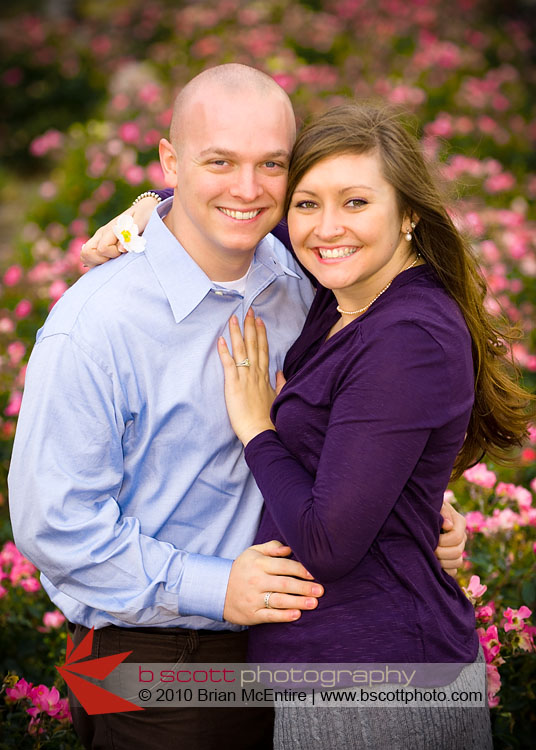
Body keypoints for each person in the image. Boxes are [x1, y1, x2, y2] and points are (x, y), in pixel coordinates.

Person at [9, 64, 466, 750]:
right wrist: (216, 587)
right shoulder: (96, 324)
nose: (248, 190)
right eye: (218, 161)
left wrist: (407, 497)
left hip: (291, 645)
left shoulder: (297, 275)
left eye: (271, 166)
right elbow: (54, 526)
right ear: (170, 161)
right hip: (149, 655)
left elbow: (363, 411)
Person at [214, 103, 533, 748]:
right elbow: (232, 200)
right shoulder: (345, 295)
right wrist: (148, 209)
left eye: (356, 202)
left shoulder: (405, 335)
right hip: (338, 677)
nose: (326, 228)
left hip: (381, 691)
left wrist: (256, 429)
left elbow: (330, 543)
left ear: (409, 213)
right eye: (307, 204)